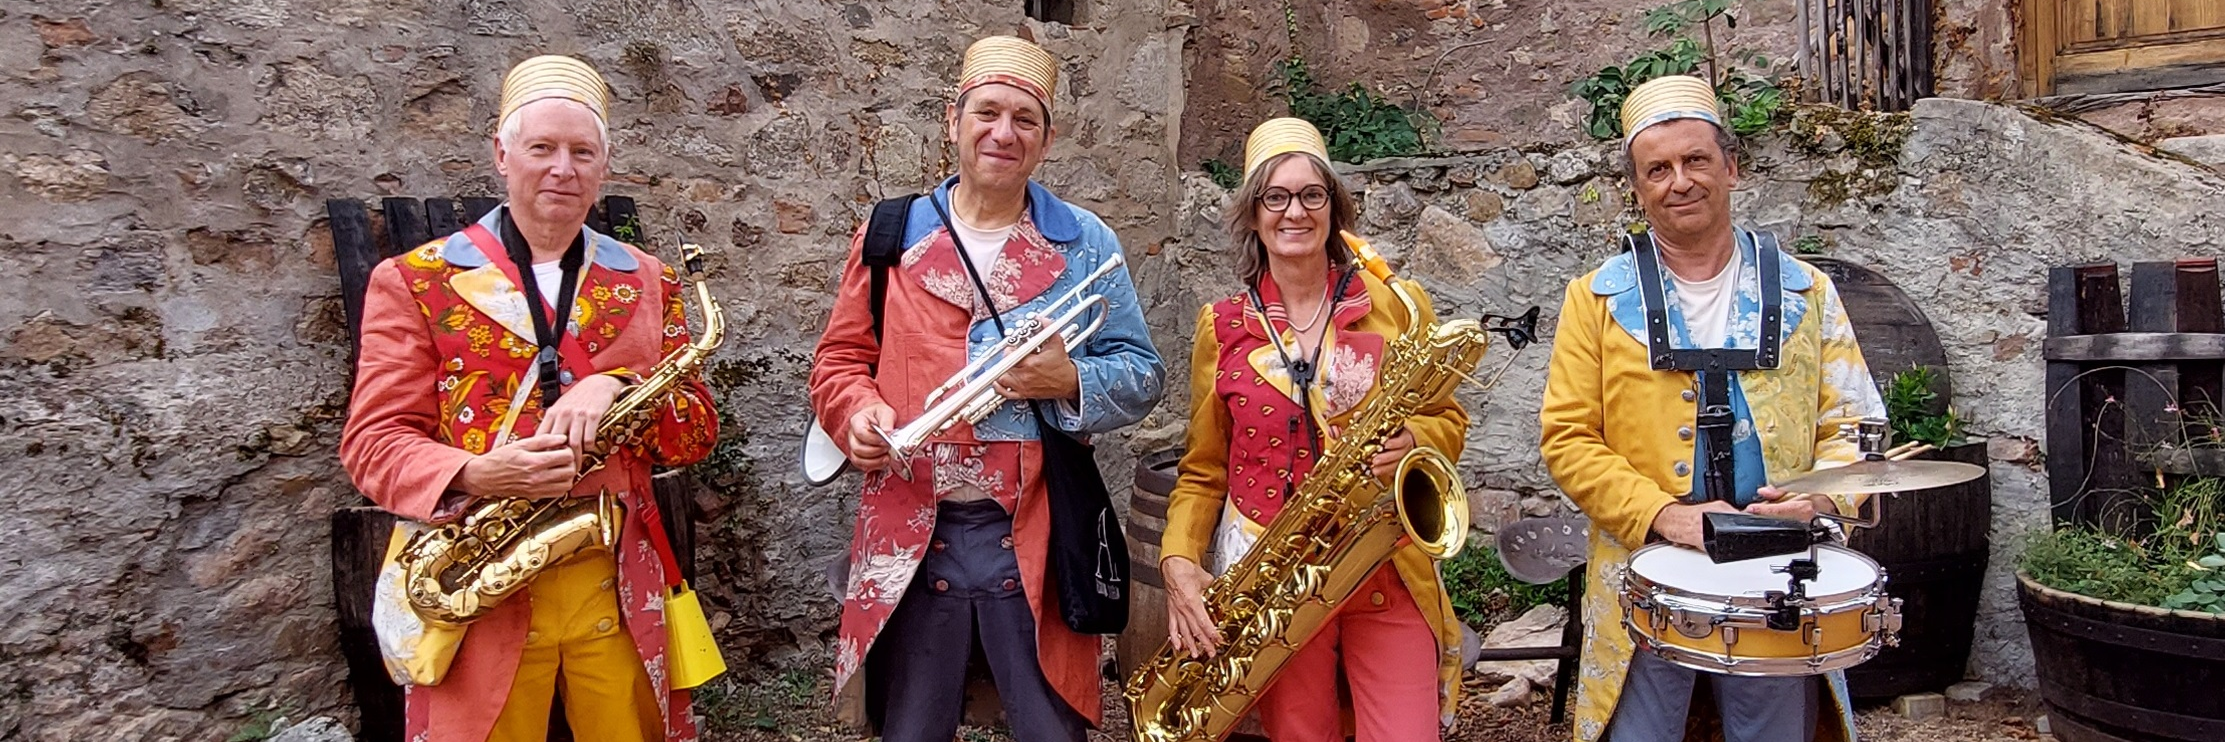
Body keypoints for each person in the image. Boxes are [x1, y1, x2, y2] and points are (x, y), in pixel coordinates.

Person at [339, 55, 719, 742]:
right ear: (501, 154)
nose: (562, 169)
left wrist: (618, 385)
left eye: (582, 152)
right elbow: (372, 446)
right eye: (541, 148)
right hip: (482, 574)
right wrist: (476, 473)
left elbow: (693, 431)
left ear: (605, 165)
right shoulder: (414, 282)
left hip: (613, 572)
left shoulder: (647, 279)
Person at [807, 35, 1166, 742]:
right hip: (910, 521)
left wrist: (1067, 377)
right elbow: (839, 360)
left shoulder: (1084, 241)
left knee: (1049, 726)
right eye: (987, 113)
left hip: (1034, 523)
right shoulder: (889, 232)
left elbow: (1142, 374)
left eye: (1024, 120)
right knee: (908, 726)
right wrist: (856, 412)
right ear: (954, 120)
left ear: (1046, 138)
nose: (1003, 133)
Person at [1537, 74, 1887, 742]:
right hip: (1643, 569)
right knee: (1641, 731)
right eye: (1657, 169)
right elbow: (1568, 438)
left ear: (1731, 167)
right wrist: (1664, 516)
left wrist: (1818, 503)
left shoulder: (1804, 292)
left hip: (1779, 569)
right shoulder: (1595, 300)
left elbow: (1851, 422)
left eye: (1696, 160)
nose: (1679, 182)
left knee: (1773, 732)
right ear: (1636, 188)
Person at [1157, 118, 1468, 741]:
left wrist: (1417, 443)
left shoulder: (1397, 304)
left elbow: (1448, 418)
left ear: (1334, 206)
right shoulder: (1220, 328)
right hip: (1277, 587)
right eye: (1276, 197)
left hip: (1383, 562)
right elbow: (1204, 470)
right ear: (1252, 214)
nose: (1294, 211)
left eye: (1311, 195)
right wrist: (1178, 559)